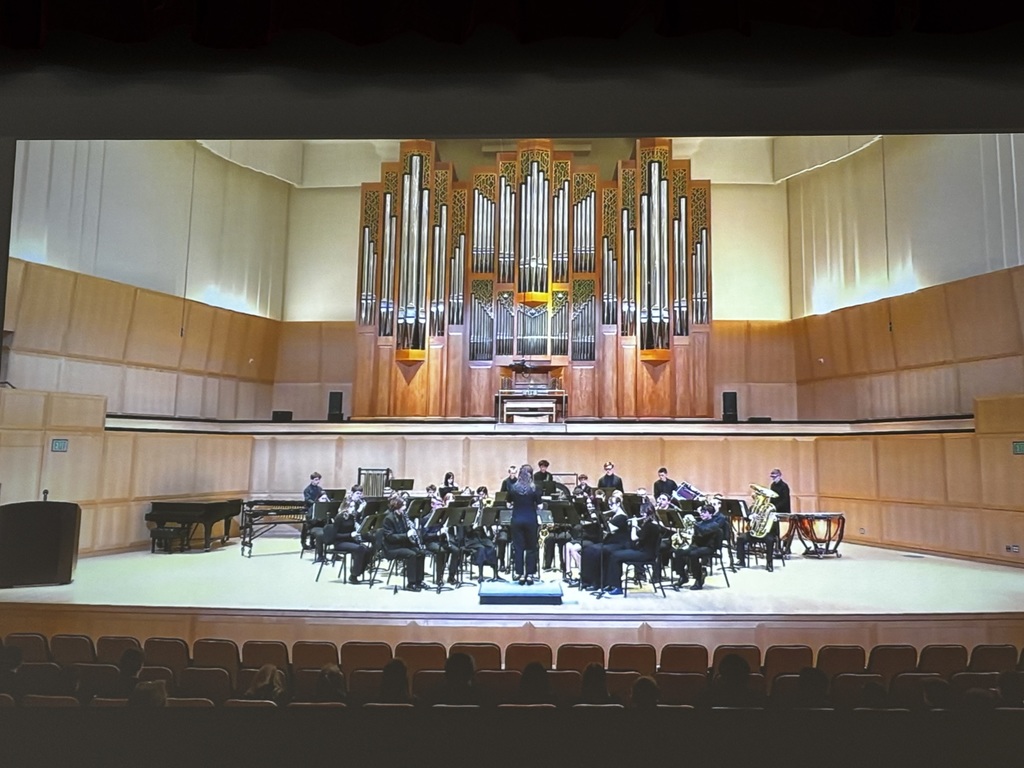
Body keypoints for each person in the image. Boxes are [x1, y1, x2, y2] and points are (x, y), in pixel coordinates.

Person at [602, 497, 663, 595]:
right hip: (645, 551)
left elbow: (633, 537)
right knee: (614, 554)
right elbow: (644, 537)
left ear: (647, 513)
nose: (641, 515)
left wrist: (634, 525)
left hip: (645, 554)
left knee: (615, 556)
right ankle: (612, 584)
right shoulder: (652, 524)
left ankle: (617, 587)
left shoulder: (649, 525)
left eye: (643, 513)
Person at [579, 491, 630, 590]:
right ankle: (588, 581)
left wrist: (601, 519)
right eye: (609, 505)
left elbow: (610, 529)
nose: (610, 507)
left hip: (619, 544)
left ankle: (596, 582)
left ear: (618, 504)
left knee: (594, 551)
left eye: (612, 504)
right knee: (587, 550)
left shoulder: (622, 517)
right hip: (611, 543)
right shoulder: (614, 515)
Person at [381, 495, 428, 590]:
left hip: (403, 544)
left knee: (421, 553)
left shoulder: (403, 516)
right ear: (397, 506)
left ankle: (419, 581)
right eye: (403, 505)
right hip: (392, 548)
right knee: (411, 554)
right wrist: (406, 535)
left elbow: (406, 530)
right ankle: (411, 583)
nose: (405, 508)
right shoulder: (389, 519)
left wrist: (412, 529)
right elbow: (390, 537)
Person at [324, 496, 375, 584]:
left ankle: (359, 571)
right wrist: (350, 535)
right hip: (340, 543)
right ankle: (354, 575)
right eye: (351, 506)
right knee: (360, 549)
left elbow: (352, 530)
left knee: (368, 550)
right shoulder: (339, 518)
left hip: (349, 541)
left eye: (353, 506)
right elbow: (334, 535)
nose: (353, 508)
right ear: (346, 507)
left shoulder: (351, 517)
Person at [671, 504, 722, 590]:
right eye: (701, 512)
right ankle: (683, 576)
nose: (701, 514)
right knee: (678, 552)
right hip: (697, 545)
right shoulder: (700, 523)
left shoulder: (714, 525)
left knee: (693, 554)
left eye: (704, 512)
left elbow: (703, 532)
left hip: (709, 547)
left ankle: (698, 579)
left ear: (710, 514)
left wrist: (693, 523)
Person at [507, 464, 542, 585]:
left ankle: (520, 574)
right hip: (531, 520)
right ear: (531, 474)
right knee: (531, 547)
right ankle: (530, 575)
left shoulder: (513, 488)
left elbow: (508, 504)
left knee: (518, 548)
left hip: (517, 520)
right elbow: (540, 506)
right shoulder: (534, 488)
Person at [735, 484, 780, 572]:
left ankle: (769, 563)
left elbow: (773, 522)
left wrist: (772, 519)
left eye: (759, 495)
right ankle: (741, 561)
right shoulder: (753, 507)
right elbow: (746, 517)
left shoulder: (770, 508)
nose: (757, 497)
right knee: (740, 538)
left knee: (770, 540)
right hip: (754, 531)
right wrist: (751, 516)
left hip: (766, 532)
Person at [302, 471, 329, 552]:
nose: (318, 481)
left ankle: (316, 542)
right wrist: (316, 503)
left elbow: (323, 496)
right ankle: (306, 542)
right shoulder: (307, 490)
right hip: (310, 509)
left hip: (319, 508)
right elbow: (307, 500)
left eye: (319, 480)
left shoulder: (320, 489)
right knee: (311, 524)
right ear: (312, 480)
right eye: (316, 480)